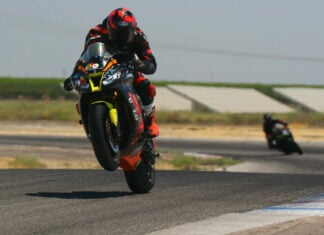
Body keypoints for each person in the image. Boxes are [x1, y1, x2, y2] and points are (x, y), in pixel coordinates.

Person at [64, 7, 159, 138]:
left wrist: (140, 64)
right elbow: (85, 57)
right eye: (118, 33)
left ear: (133, 29)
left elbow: (151, 63)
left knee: (145, 85)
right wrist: (74, 75)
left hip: (128, 66)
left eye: (126, 33)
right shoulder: (95, 33)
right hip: (104, 66)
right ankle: (89, 117)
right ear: (109, 28)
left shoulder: (139, 35)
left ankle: (149, 121)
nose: (122, 37)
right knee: (84, 86)